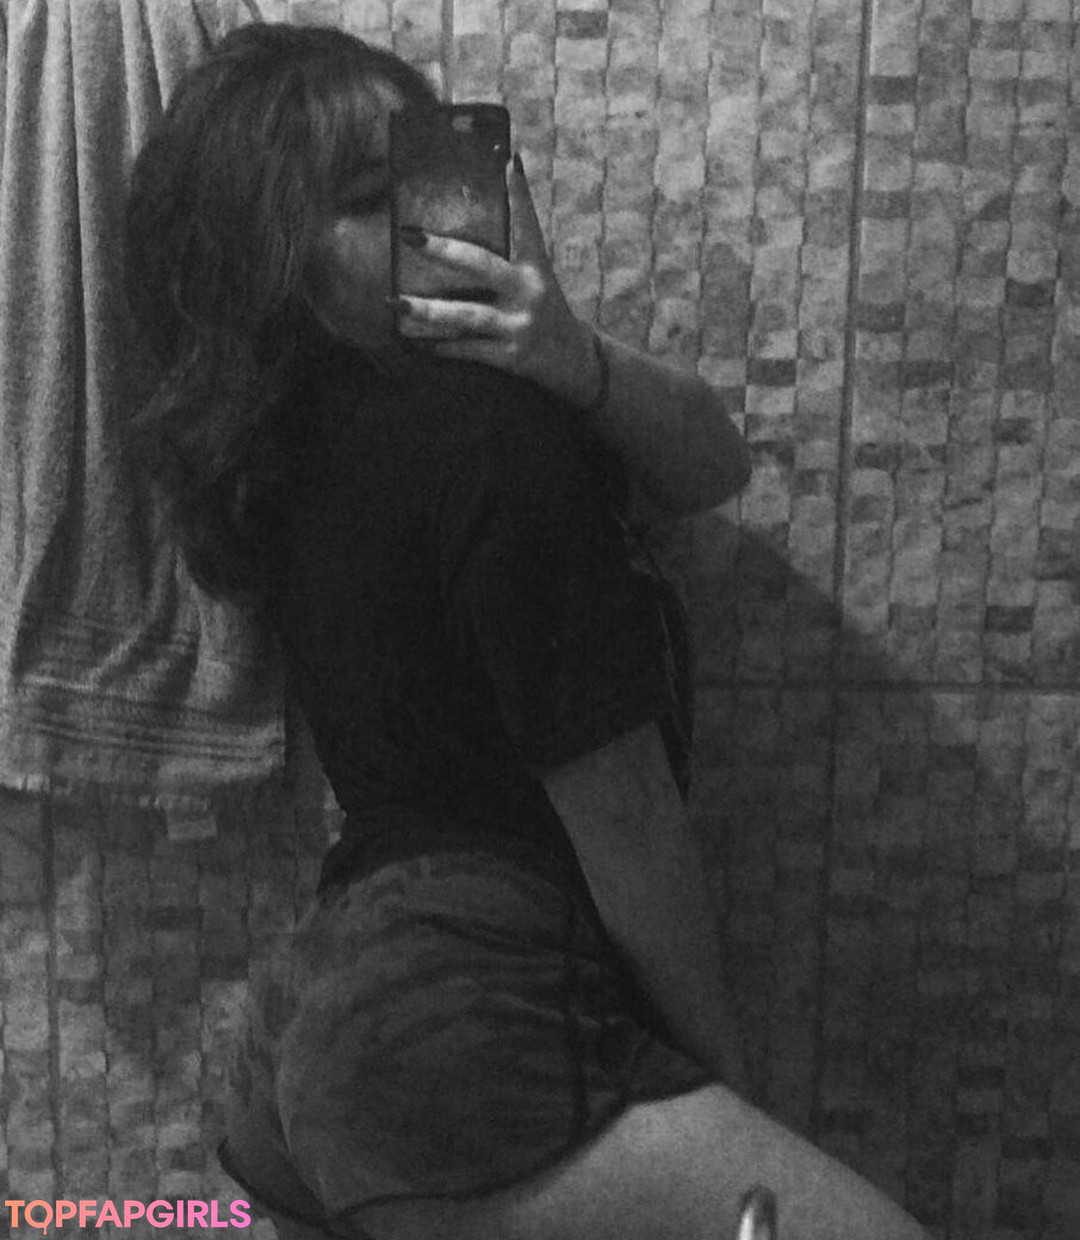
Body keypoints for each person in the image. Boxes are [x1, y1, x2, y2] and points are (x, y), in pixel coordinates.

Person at [125, 22, 930, 1240]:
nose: (426, 222)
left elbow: (708, 465)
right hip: (461, 1018)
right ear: (271, 263)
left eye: (429, 173)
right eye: (367, 200)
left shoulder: (291, 461)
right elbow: (626, 817)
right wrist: (723, 1079)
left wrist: (567, 352)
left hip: (321, 1024)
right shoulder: (487, 440)